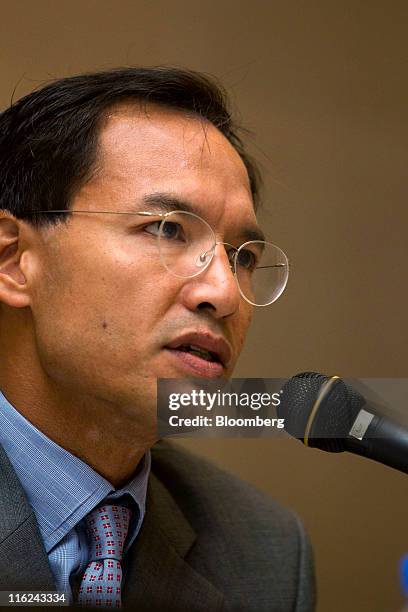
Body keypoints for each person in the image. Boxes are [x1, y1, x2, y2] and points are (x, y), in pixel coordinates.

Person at [0, 67, 315, 610]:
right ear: (13, 261)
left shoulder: (265, 550)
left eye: (245, 258)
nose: (225, 293)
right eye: (168, 229)